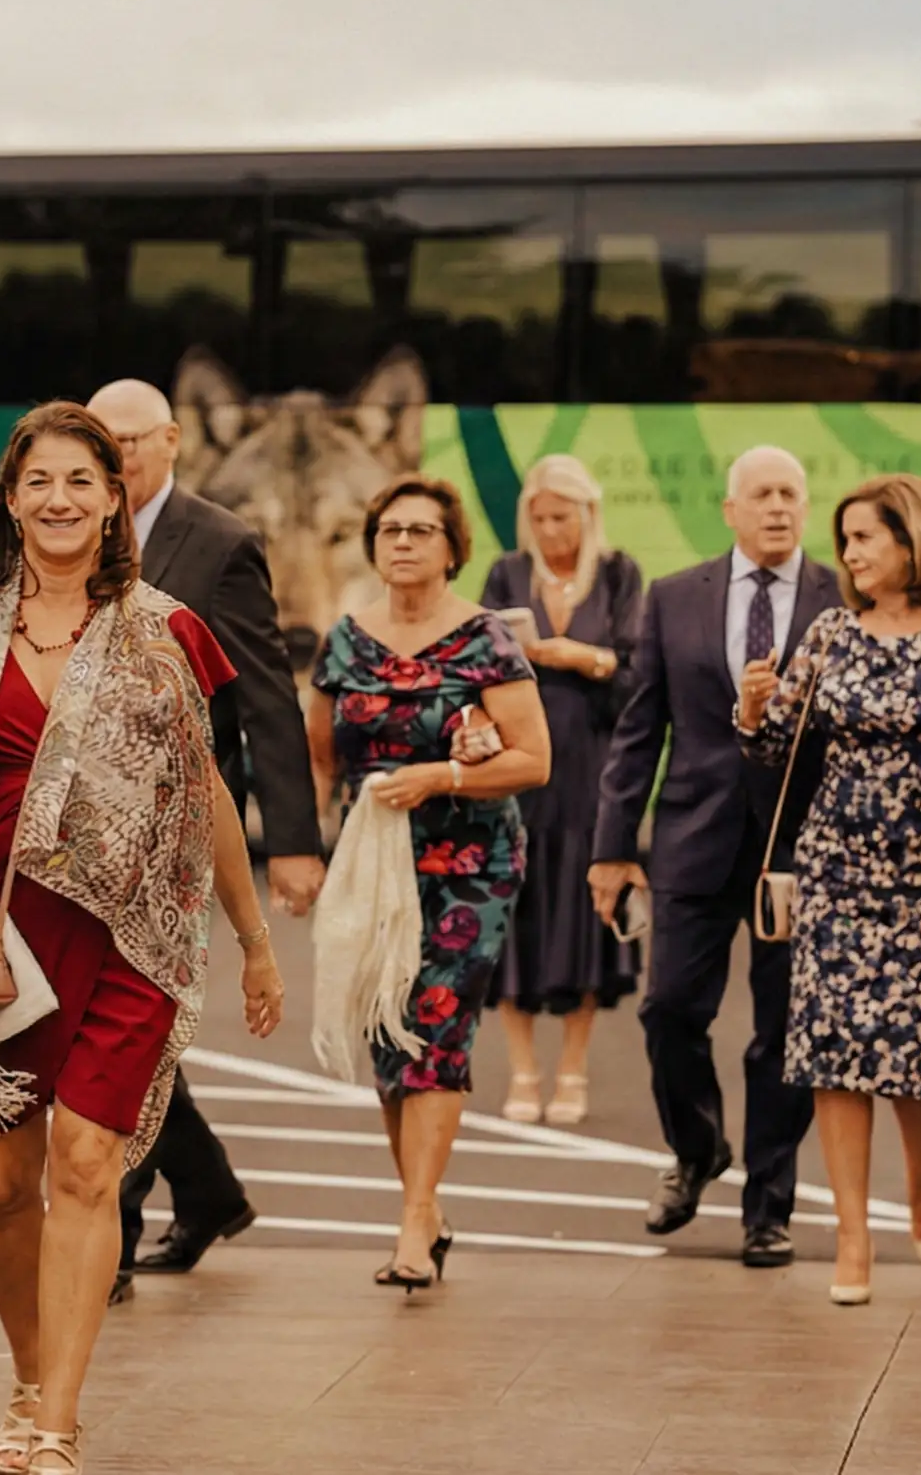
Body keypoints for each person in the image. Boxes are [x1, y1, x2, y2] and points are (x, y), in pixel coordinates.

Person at [0, 401, 286, 1475]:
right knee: (2, 1188)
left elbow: (201, 793)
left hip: (125, 939)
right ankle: (28, 1367)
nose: (59, 499)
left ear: (114, 499)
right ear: (10, 498)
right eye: (38, 480)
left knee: (88, 1162)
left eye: (81, 481)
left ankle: (55, 1416)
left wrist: (252, 938)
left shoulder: (166, 630)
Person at [737, 474, 921, 1306]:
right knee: (831, 1053)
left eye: (865, 538)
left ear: (911, 541)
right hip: (833, 865)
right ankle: (852, 1236)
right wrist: (754, 710)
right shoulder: (831, 634)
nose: (849, 555)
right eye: (846, 539)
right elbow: (775, 746)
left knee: (913, 1059)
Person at [85, 377, 324, 1301]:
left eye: (133, 442)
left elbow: (266, 693)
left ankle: (110, 1237)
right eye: (104, 441)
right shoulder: (65, 527)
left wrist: (293, 841)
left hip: (180, 822)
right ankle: (212, 1190)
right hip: (78, 826)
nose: (118, 459)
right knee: (111, 1024)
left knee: (133, 1023)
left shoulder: (220, 542)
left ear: (175, 440)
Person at [588, 445, 843, 1268]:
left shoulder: (841, 598)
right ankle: (697, 1149)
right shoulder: (674, 597)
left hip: (797, 849)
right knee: (668, 1011)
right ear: (730, 510)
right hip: (694, 838)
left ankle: (769, 1210)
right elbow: (639, 734)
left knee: (782, 1034)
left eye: (791, 495)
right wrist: (612, 849)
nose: (778, 507)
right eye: (762, 495)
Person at [307, 474, 550, 1290]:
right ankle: (425, 1203)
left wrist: (441, 775)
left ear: (452, 550)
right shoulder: (343, 641)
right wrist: (305, 853)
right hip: (375, 865)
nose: (403, 542)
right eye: (390, 530)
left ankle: (416, 1218)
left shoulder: (485, 640)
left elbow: (533, 759)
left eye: (421, 530)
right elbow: (319, 756)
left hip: (471, 863)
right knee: (389, 1033)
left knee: (436, 1023)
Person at [477, 455, 643, 1125]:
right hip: (520, 773)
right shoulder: (506, 573)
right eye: (539, 518)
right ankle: (523, 1068)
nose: (549, 531)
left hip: (593, 772)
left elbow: (641, 674)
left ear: (587, 514)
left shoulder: (620, 573)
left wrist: (586, 658)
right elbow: (476, 661)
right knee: (514, 917)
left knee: (584, 921)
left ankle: (572, 1067)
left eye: (561, 517)